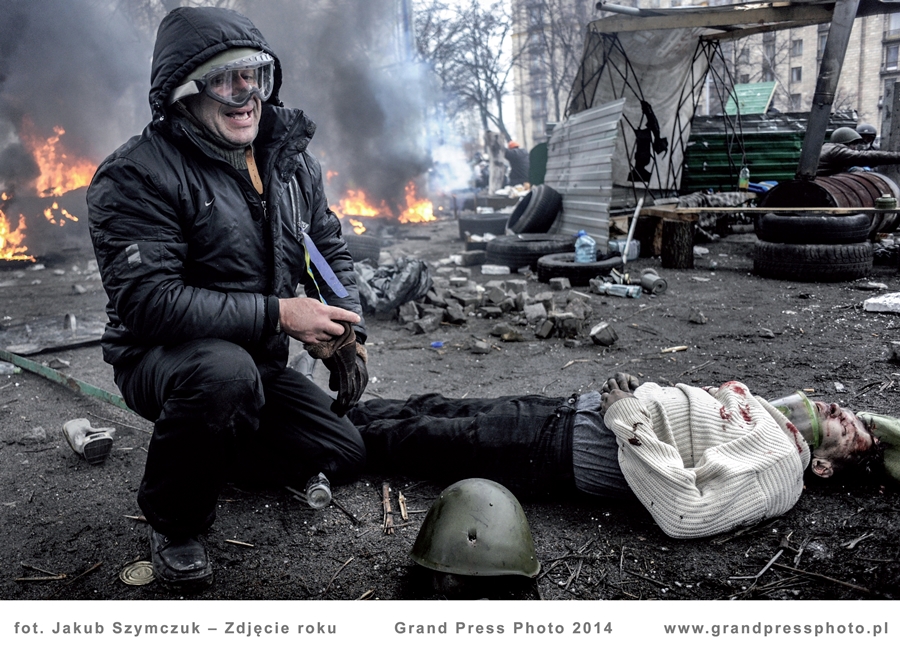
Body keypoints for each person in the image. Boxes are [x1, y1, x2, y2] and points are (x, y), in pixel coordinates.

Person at [87, 7, 369, 589]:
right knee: (223, 375)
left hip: (254, 362)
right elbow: (149, 302)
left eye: (254, 76)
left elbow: (324, 251)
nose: (244, 95)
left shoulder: (289, 164)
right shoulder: (135, 175)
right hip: (165, 360)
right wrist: (281, 314)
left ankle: (216, 447)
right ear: (183, 93)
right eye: (223, 79)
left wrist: (347, 325)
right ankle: (176, 520)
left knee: (341, 450)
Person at [348, 374, 885, 540]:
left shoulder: (779, 471)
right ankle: (322, 410)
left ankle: (293, 441)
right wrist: (632, 392)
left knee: (411, 439)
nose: (840, 409)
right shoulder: (769, 417)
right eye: (846, 409)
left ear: (823, 466)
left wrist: (627, 411)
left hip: (560, 450)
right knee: (428, 406)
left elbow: (687, 513)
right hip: (570, 411)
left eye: (849, 426)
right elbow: (684, 423)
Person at [817, 127, 900, 176]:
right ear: (848, 142)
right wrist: (897, 156)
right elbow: (866, 156)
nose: (856, 147)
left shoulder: (827, 147)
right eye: (855, 144)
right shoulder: (837, 151)